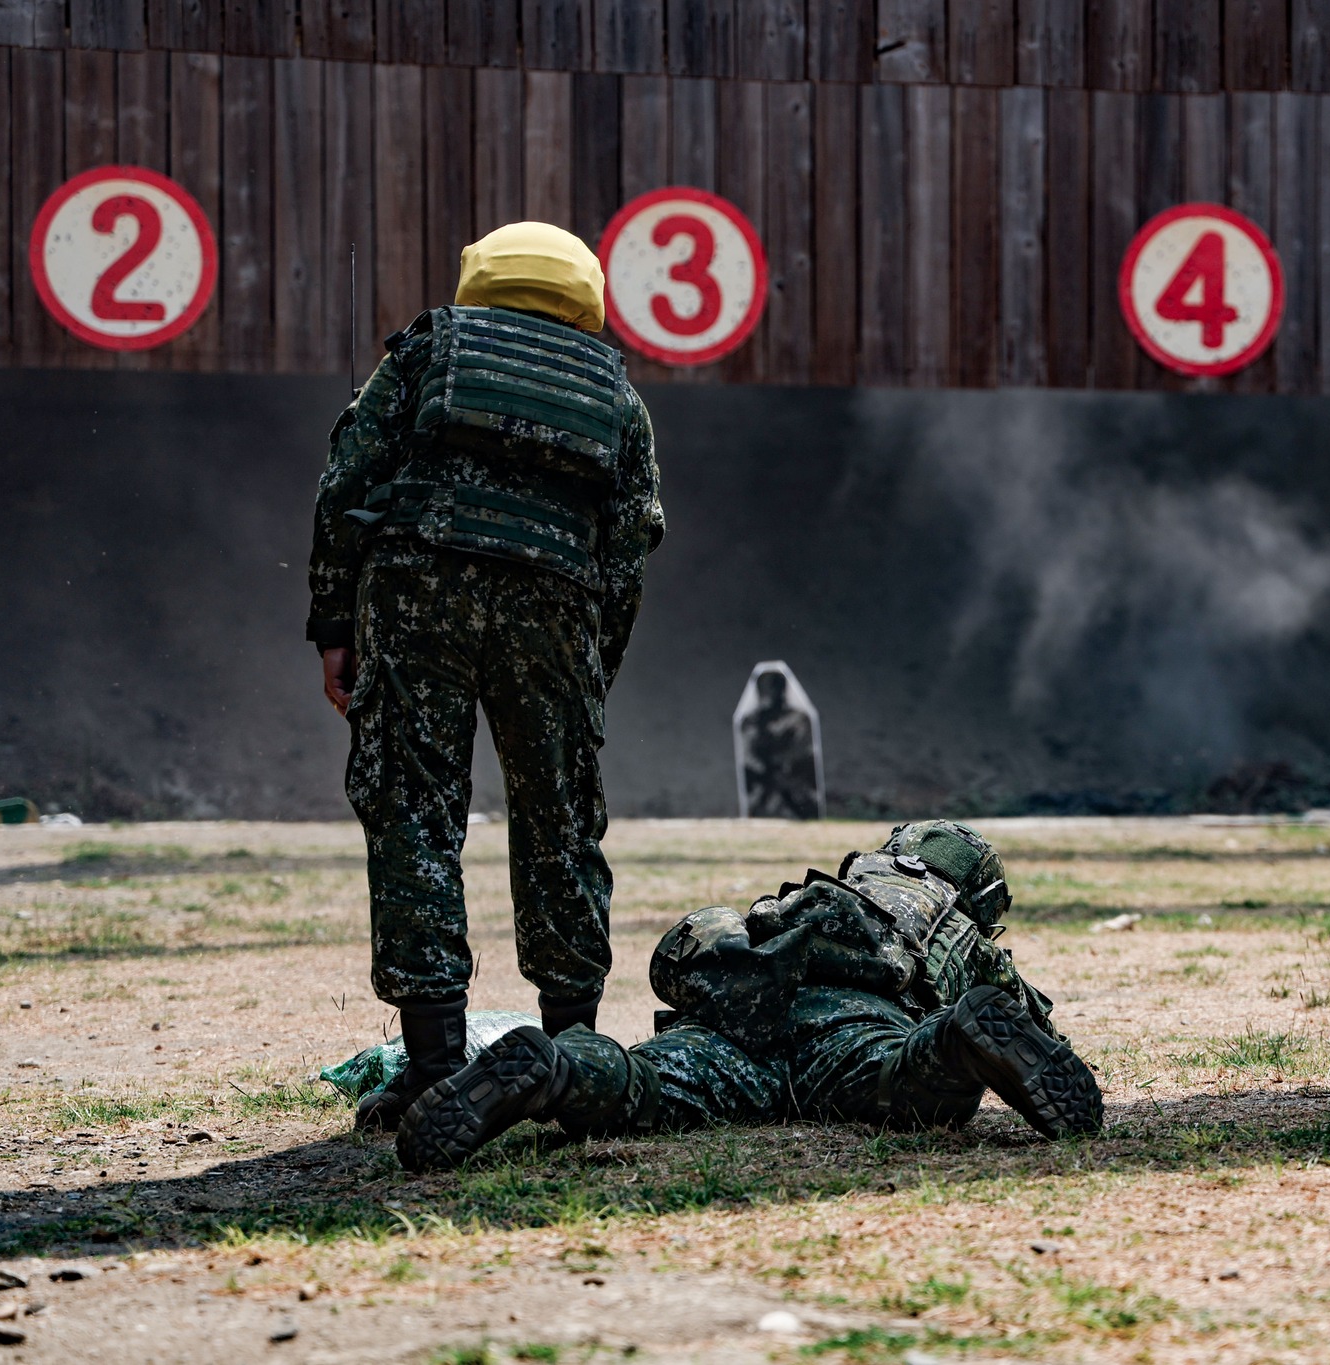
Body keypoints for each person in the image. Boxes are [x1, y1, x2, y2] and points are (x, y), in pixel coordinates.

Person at [305, 221, 663, 1132]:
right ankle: (574, 1055)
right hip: (555, 608)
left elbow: (348, 483)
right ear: (585, 296)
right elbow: (627, 549)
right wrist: (591, 673)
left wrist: (334, 626)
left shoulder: (429, 347)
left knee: (415, 810)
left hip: (419, 587)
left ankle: (431, 1066)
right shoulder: (613, 389)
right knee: (560, 817)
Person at [394, 820, 1104, 1170]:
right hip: (854, 1031)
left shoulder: (827, 892)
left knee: (641, 1083)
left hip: (743, 1017)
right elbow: (1037, 1030)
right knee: (917, 1081)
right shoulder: (959, 932)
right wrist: (986, 1017)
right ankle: (957, 1037)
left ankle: (556, 1066)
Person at [735, 661, 822, 820]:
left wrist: (786, 763)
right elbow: (749, 748)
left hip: (790, 771)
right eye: (771, 688)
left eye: (778, 687)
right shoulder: (754, 720)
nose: (775, 693)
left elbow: (804, 746)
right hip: (764, 771)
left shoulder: (798, 718)